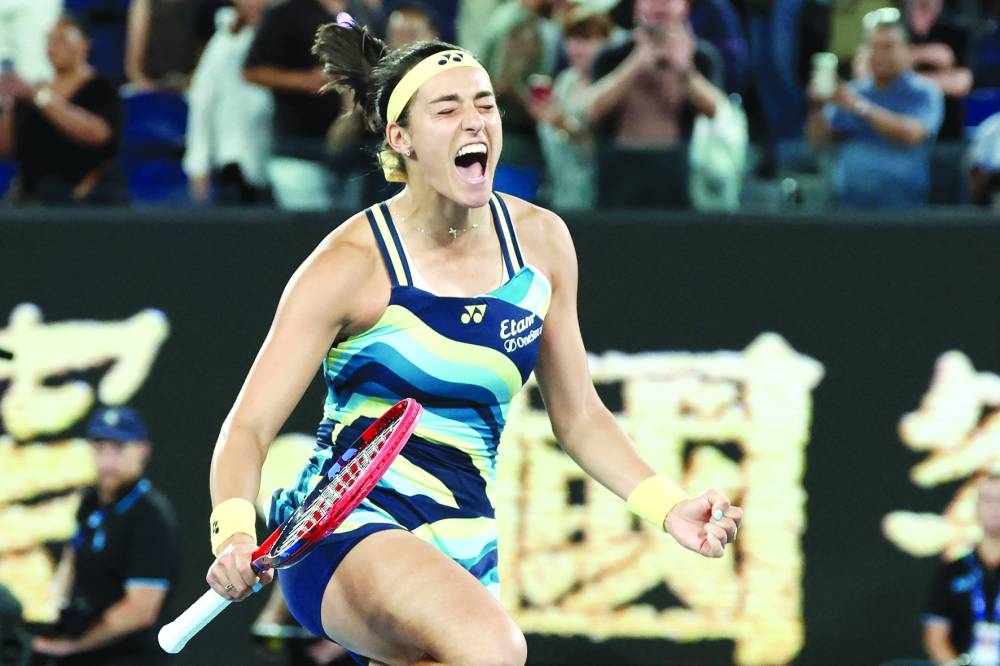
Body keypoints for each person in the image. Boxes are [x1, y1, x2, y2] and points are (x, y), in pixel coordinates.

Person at [205, 23, 742, 666]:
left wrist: (669, 506)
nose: (476, 122)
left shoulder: (542, 244)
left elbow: (579, 416)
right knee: (492, 649)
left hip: (464, 541)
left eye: (485, 104)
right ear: (400, 139)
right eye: (448, 108)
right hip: (343, 529)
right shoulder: (350, 263)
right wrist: (234, 533)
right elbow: (248, 429)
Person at [32, 407, 181, 666]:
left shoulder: (150, 517)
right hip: (87, 653)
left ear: (143, 451)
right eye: (100, 449)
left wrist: (71, 646)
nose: (107, 462)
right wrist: (54, 611)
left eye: (118, 449)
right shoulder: (89, 503)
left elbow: (140, 610)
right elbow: (72, 558)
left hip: (133, 658)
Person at [805, 7, 943, 209]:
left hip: (902, 207)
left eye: (889, 47)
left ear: (907, 50)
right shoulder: (853, 91)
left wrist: (859, 106)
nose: (880, 55)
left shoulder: (924, 92)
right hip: (847, 206)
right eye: (874, 46)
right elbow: (818, 141)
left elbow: (911, 133)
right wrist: (816, 107)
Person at [0, 14, 125, 205]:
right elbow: (7, 148)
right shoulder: (32, 91)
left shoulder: (101, 88)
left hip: (83, 196)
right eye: (49, 40)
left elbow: (99, 134)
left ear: (85, 44)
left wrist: (42, 99)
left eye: (62, 38)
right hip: (31, 198)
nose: (53, 46)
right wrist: (8, 104)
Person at [183, 0, 274, 205]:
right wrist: (198, 165)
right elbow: (202, 103)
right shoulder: (224, 44)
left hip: (281, 158)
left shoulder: (288, 36)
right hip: (236, 166)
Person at [924, 473, 1000, 666]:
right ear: (976, 506)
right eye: (989, 500)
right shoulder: (954, 570)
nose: (995, 509)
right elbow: (936, 635)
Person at [903, 0, 972, 141]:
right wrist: (927, 54)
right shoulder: (894, 29)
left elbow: (960, 84)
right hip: (899, 137)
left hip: (947, 135)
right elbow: (866, 75)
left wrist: (901, 76)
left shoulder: (958, 31)